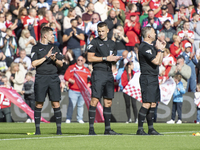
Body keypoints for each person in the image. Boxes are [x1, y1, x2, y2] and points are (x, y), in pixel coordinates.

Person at [87, 22, 121, 135]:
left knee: (108, 102)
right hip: (98, 73)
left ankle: (107, 129)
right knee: (95, 100)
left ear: (107, 31)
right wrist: (106, 58)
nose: (100, 33)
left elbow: (112, 58)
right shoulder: (94, 42)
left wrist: (115, 59)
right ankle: (91, 129)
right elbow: (90, 58)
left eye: (102, 31)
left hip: (108, 73)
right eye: (99, 31)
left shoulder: (112, 43)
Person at [31, 27, 63, 135]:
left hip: (53, 77)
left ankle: (59, 130)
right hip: (41, 77)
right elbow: (34, 64)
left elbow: (61, 64)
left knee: (56, 103)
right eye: (51, 34)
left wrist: (54, 59)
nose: (53, 36)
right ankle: (37, 130)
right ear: (45, 35)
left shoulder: (55, 47)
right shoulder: (36, 48)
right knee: (39, 104)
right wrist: (46, 57)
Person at [137, 26, 166, 135]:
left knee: (153, 103)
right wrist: (159, 50)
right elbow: (156, 62)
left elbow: (160, 60)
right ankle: (140, 129)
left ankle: (151, 128)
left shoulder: (151, 46)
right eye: (154, 32)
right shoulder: (144, 47)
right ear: (149, 35)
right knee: (147, 103)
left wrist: (161, 49)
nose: (155, 34)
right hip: (147, 77)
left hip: (153, 77)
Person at [64, 56, 91, 124]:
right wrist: (70, 80)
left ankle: (80, 118)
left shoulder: (86, 70)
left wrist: (88, 86)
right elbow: (66, 76)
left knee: (81, 105)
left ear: (84, 61)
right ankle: (68, 118)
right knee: (71, 105)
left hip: (83, 91)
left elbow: (90, 80)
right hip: (73, 90)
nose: (80, 61)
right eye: (78, 60)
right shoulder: (71, 67)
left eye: (81, 60)